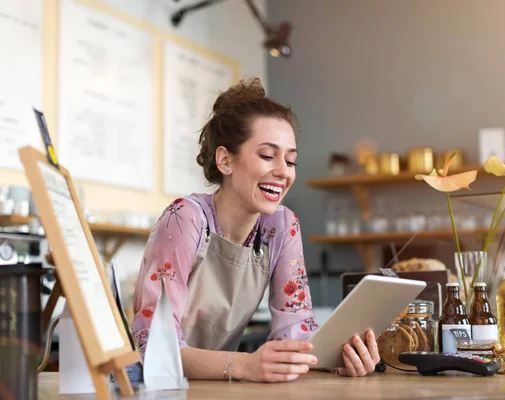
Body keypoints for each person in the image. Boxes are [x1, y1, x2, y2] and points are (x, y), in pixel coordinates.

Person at [131, 77, 380, 383]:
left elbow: (295, 329)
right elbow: (155, 346)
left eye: (290, 160)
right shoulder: (184, 219)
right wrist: (244, 366)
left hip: (220, 389)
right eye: (267, 155)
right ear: (225, 160)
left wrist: (334, 358)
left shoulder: (282, 226)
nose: (283, 172)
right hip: (154, 388)